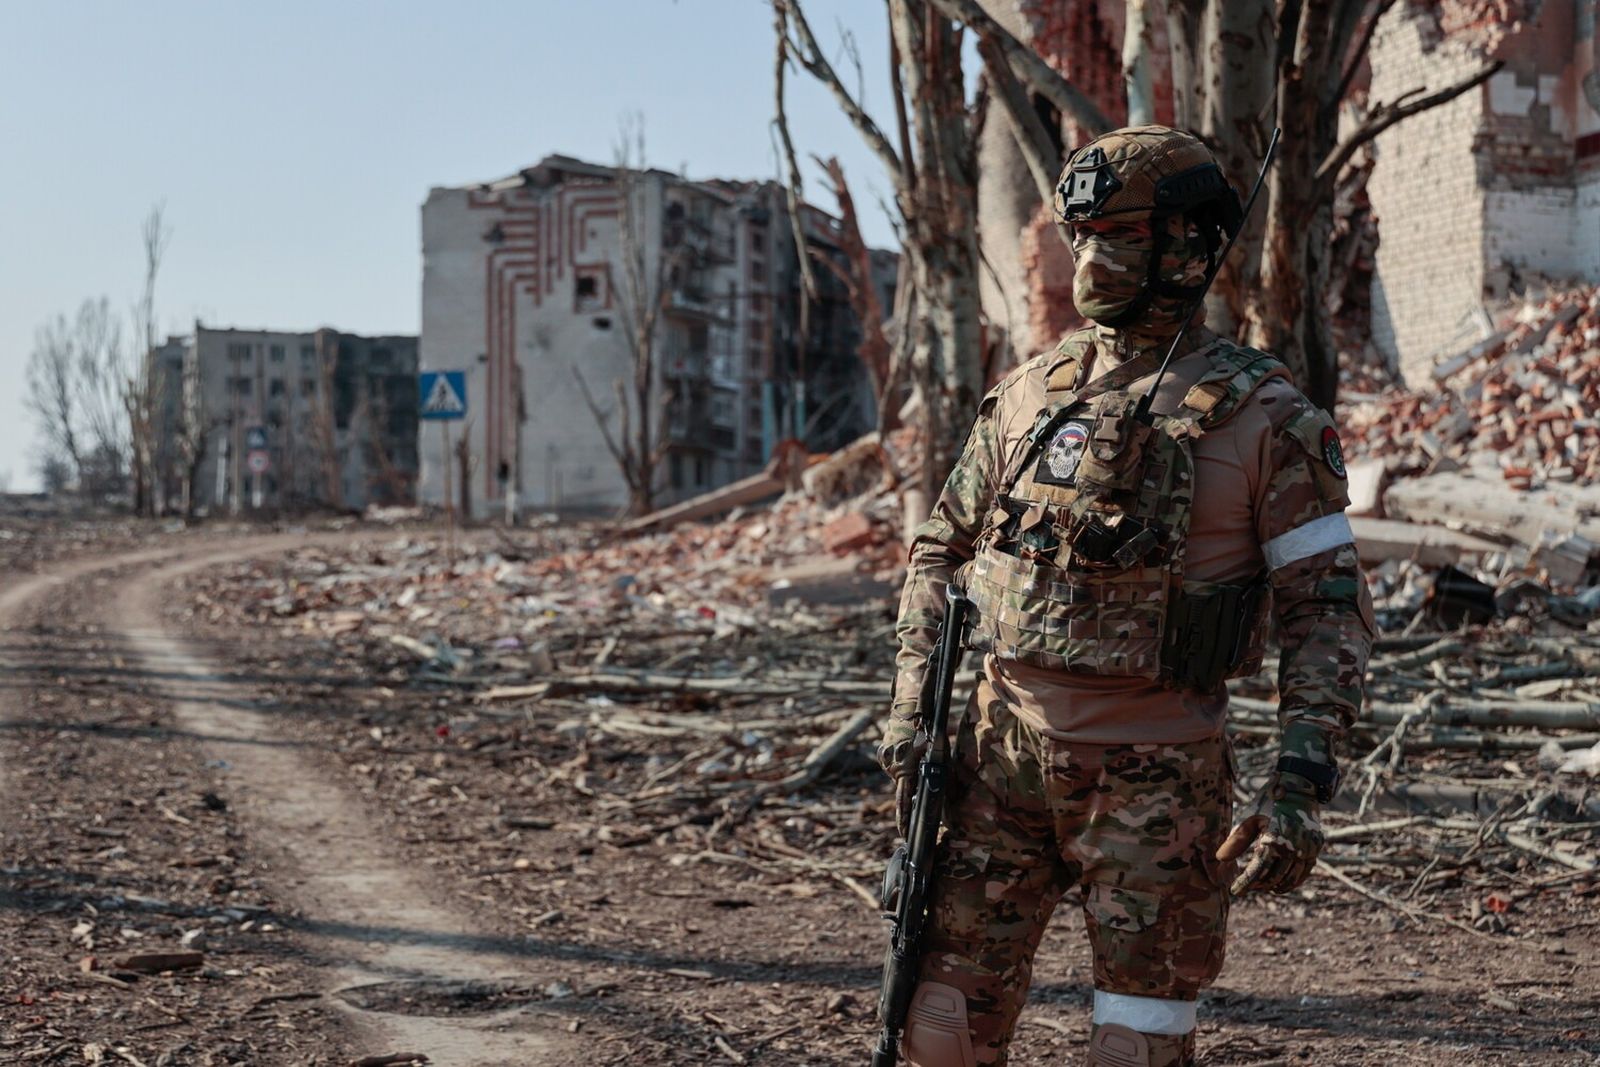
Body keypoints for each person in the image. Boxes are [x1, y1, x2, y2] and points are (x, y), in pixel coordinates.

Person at [879, 125, 1375, 1067]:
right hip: (997, 762)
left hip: (1159, 778)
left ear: (1189, 243)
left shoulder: (1265, 415)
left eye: (1121, 233)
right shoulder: (1030, 394)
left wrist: (1300, 782)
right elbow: (937, 553)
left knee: (1135, 1047)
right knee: (940, 1030)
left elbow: (1327, 610)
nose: (1092, 260)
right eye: (1084, 234)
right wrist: (914, 712)